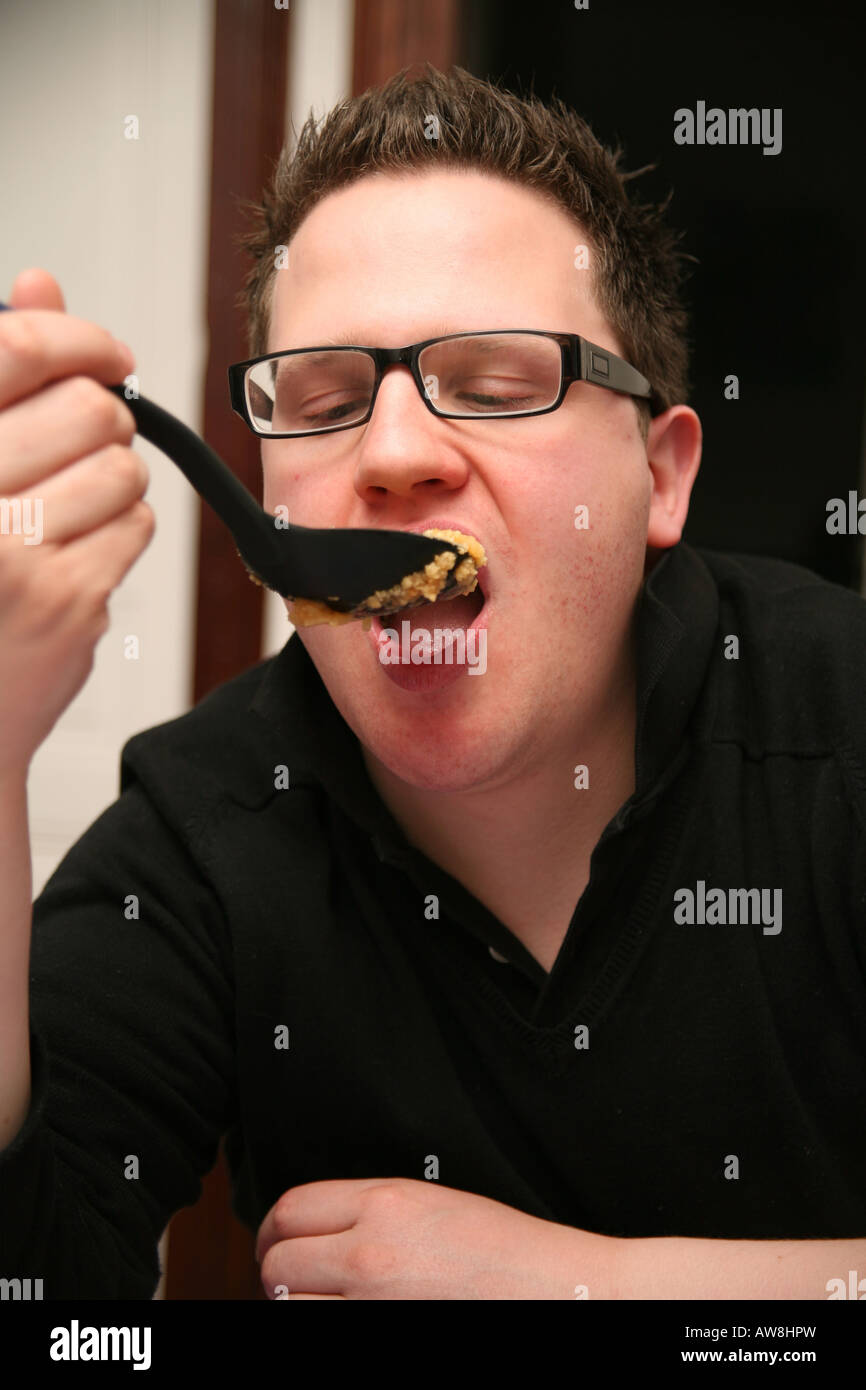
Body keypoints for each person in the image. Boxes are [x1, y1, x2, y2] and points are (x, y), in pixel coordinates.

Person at [1, 65, 864, 1302]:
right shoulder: (206, 833)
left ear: (659, 478)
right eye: (323, 399)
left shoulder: (838, 725)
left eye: (501, 384)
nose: (394, 452)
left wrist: (586, 1288)